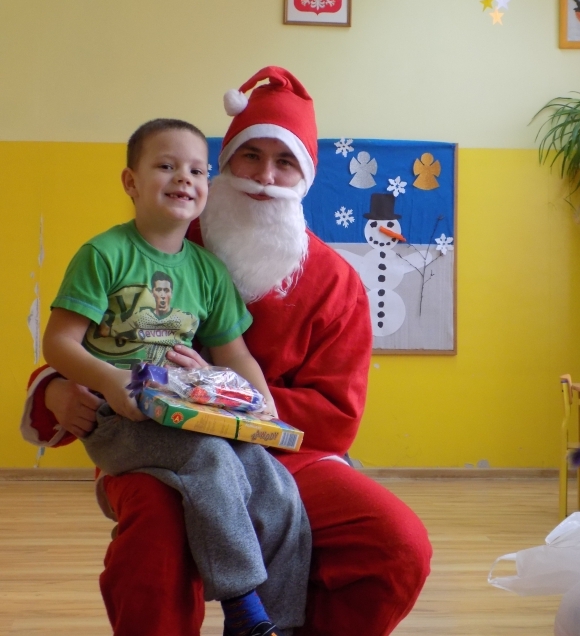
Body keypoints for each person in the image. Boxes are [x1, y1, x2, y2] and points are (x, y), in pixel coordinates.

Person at [21, 66, 433, 636]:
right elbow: (85, 343)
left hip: (282, 453)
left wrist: (222, 392)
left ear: (305, 177)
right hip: (156, 441)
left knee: (397, 543)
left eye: (284, 162)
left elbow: (336, 417)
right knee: (157, 534)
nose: (265, 177)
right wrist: (56, 390)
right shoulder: (169, 234)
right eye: (250, 156)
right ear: (225, 165)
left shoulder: (336, 282)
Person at [40, 117, 311, 636]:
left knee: (274, 482)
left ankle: (282, 623)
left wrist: (262, 404)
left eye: (197, 170)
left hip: (185, 414)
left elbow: (235, 354)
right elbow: (58, 343)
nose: (184, 178)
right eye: (166, 166)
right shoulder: (104, 255)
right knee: (210, 459)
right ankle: (244, 610)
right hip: (119, 420)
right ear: (131, 181)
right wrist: (111, 382)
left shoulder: (208, 272)